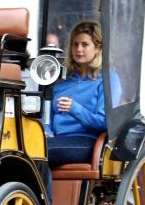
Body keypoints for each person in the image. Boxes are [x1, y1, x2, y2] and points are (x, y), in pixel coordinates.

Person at [46, 20, 121, 166]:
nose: (78, 49)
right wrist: (46, 131)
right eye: (75, 44)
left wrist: (74, 109)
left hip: (87, 141)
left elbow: (104, 123)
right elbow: (47, 114)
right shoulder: (62, 79)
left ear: (98, 48)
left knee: (40, 152)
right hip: (55, 139)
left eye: (85, 44)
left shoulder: (108, 79)